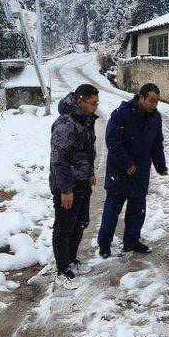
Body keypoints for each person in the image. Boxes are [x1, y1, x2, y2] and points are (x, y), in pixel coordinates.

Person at [98, 83, 168, 258]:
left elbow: (156, 143)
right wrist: (126, 163)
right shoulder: (121, 114)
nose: (154, 105)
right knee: (112, 210)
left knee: (137, 210)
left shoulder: (155, 118)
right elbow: (112, 141)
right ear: (141, 97)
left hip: (141, 171)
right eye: (151, 100)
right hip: (119, 171)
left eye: (157, 102)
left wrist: (161, 166)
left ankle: (131, 241)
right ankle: (104, 244)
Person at [48, 84, 100, 289]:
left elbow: (86, 151)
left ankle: (71, 260)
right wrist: (65, 190)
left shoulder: (84, 119)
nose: (96, 107)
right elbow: (58, 160)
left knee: (80, 223)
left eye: (97, 103)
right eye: (93, 104)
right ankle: (62, 270)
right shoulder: (66, 123)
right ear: (80, 101)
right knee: (64, 227)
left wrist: (90, 174)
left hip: (82, 182)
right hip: (67, 185)